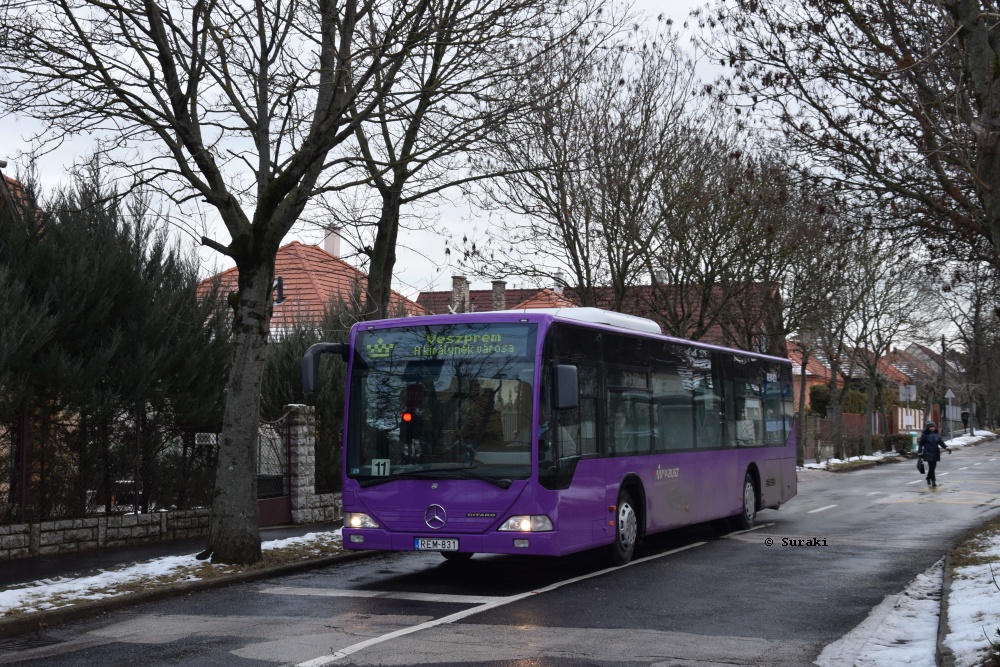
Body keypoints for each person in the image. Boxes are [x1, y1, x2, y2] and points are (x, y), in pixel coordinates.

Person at [917, 420, 950, 487]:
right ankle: (933, 481)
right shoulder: (925, 434)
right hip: (928, 452)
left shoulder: (937, 434)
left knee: (933, 468)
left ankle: (928, 478)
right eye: (931, 427)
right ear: (928, 427)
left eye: (933, 427)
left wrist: (946, 448)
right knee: (931, 467)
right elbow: (920, 444)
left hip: (935, 452)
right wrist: (920, 452)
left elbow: (941, 442)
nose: (932, 428)